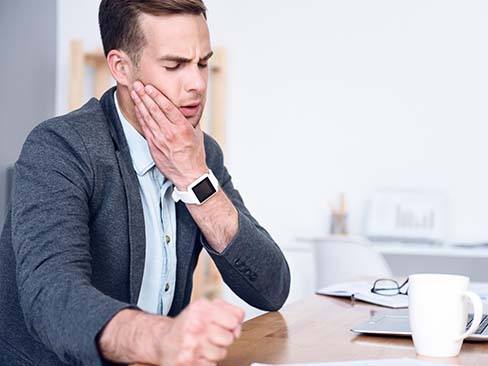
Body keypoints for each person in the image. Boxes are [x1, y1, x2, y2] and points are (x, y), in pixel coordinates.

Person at [0, 1, 290, 365]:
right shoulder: (60, 147)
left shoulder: (199, 152)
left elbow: (271, 288)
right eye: (174, 65)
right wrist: (163, 336)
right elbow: (52, 296)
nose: (198, 83)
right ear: (121, 67)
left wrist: (195, 180)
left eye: (202, 63)